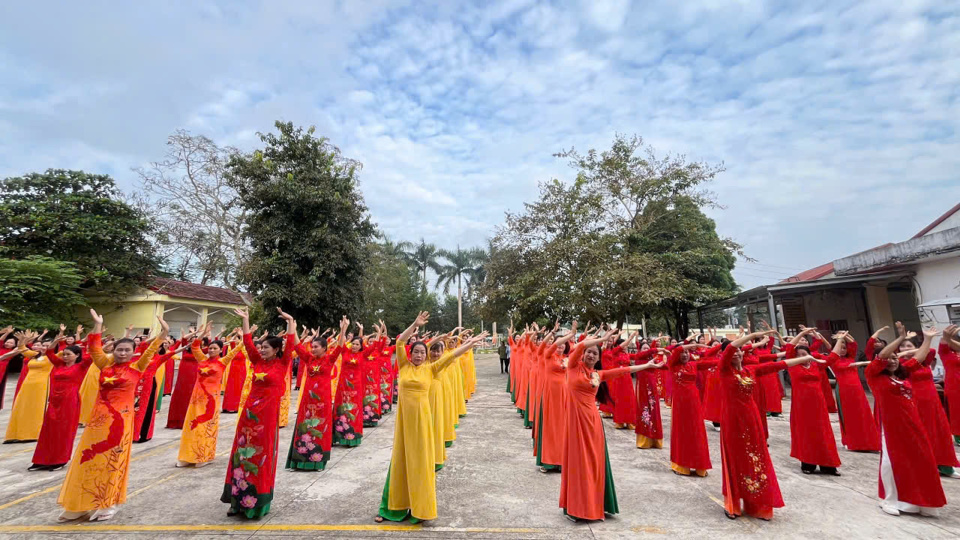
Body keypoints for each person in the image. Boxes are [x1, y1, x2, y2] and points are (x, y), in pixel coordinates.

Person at [57, 309, 167, 522]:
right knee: (87, 459)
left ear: (133, 352)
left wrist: (164, 331)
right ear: (114, 350)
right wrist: (98, 325)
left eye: (127, 350)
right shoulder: (104, 365)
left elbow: (151, 350)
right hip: (97, 422)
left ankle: (109, 502)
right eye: (119, 349)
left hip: (121, 421)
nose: (122, 353)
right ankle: (80, 503)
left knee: (112, 460)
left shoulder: (137, 367)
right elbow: (94, 348)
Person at [376, 312, 487, 523]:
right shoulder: (404, 366)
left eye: (421, 353)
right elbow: (400, 342)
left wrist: (470, 343)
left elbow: (452, 356)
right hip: (404, 425)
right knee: (400, 462)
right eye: (415, 352)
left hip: (423, 423)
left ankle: (420, 509)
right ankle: (394, 508)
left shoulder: (431, 369)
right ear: (410, 354)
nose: (418, 355)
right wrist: (414, 324)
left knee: (421, 464)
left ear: (426, 355)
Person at [560, 329, 665, 522]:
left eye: (595, 353)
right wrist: (603, 339)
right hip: (576, 422)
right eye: (589, 352)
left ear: (598, 358)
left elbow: (622, 371)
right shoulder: (573, 367)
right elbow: (581, 344)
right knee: (578, 462)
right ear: (583, 355)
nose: (591, 355)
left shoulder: (598, 375)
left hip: (593, 422)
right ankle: (577, 507)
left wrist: (647, 365)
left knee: (594, 462)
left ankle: (596, 504)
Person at [717, 329, 821, 520]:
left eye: (741, 350)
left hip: (753, 420)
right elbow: (731, 347)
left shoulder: (751, 370)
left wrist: (807, 359)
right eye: (736, 350)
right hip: (733, 421)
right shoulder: (724, 370)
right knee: (735, 458)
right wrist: (752, 335)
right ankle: (732, 504)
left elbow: (780, 364)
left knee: (756, 459)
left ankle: (757, 503)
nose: (738, 352)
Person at [221, 307, 296, 519]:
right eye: (261, 347)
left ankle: (257, 504)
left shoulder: (282, 363)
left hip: (267, 417)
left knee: (260, 457)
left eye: (266, 347)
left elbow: (290, 344)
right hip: (249, 415)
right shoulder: (257, 361)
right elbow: (247, 343)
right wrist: (246, 320)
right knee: (241, 455)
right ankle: (237, 501)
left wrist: (291, 322)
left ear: (276, 349)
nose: (262, 350)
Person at [866, 323, 946, 516]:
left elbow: (918, 358)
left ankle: (920, 500)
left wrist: (927, 338)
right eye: (890, 358)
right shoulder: (874, 376)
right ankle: (888, 499)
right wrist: (900, 339)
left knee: (921, 459)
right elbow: (883, 356)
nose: (893, 361)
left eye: (896, 358)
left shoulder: (903, 375)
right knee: (891, 462)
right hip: (892, 426)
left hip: (913, 424)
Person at [177, 325, 243, 468]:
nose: (212, 350)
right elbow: (195, 346)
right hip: (195, 400)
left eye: (215, 348)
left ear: (221, 350)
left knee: (205, 427)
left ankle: (204, 456)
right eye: (211, 348)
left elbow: (238, 348)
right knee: (191, 426)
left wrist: (242, 335)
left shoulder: (223, 361)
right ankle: (186, 456)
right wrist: (202, 334)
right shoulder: (202, 359)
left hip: (211, 400)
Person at [30, 327, 93, 470]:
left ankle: (60, 459)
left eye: (68, 354)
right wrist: (56, 341)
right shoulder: (59, 364)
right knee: (48, 429)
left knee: (64, 430)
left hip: (69, 401)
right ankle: (42, 459)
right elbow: (50, 352)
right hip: (54, 400)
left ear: (77, 355)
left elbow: (93, 353)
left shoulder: (81, 366)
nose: (64, 356)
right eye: (64, 354)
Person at [784, 328, 841, 476]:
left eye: (805, 355)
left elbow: (833, 357)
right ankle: (808, 463)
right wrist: (802, 334)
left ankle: (828, 465)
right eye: (799, 356)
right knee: (806, 433)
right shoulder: (793, 366)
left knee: (823, 433)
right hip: (801, 406)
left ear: (810, 355)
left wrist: (840, 339)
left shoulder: (816, 365)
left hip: (818, 405)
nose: (802, 357)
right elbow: (790, 348)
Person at [287, 324, 342, 471]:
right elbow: (298, 345)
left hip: (322, 401)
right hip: (307, 400)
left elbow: (340, 347)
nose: (313, 349)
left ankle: (317, 462)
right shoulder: (309, 358)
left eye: (316, 346)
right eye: (312, 346)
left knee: (320, 427)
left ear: (325, 348)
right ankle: (299, 460)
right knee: (305, 428)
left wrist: (343, 330)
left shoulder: (329, 359)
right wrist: (292, 325)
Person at [823, 332, 879, 452]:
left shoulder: (850, 357)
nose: (842, 350)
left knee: (863, 414)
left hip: (857, 390)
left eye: (844, 348)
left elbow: (853, 344)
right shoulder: (832, 359)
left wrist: (844, 335)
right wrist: (840, 339)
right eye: (840, 348)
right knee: (849, 416)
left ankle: (868, 441)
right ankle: (851, 441)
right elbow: (834, 352)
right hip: (843, 391)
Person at [535, 325, 578, 472]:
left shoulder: (566, 359)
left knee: (562, 428)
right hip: (550, 396)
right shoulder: (548, 355)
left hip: (564, 396)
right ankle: (547, 461)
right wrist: (566, 334)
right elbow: (551, 345)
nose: (559, 348)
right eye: (557, 345)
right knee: (550, 427)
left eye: (562, 346)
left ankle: (561, 461)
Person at [667, 342, 713, 477]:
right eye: (683, 352)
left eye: (687, 353)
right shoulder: (673, 365)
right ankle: (682, 465)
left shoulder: (694, 365)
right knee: (682, 431)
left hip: (694, 403)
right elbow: (676, 351)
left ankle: (700, 465)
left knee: (697, 431)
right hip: (680, 405)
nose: (685, 354)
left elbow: (713, 362)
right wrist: (696, 344)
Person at [4, 331, 50, 443]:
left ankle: (32, 434)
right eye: (43, 345)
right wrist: (22, 339)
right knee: (21, 406)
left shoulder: (52, 357)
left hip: (41, 386)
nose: (43, 347)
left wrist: (57, 340)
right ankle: (15, 434)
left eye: (46, 346)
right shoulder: (34, 355)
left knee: (35, 409)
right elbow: (21, 348)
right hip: (27, 384)